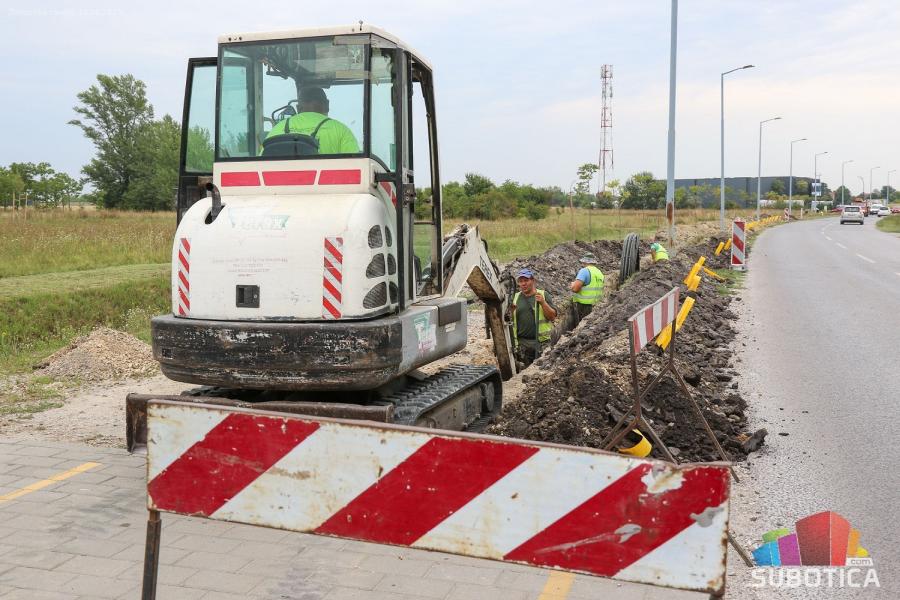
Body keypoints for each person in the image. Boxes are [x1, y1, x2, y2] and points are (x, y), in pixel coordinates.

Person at [266, 86, 360, 154]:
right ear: (327, 105)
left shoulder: (277, 130)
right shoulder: (341, 130)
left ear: (298, 108)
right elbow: (355, 164)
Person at [511, 268, 557, 368]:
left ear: (533, 281)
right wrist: (511, 311)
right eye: (521, 281)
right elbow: (508, 321)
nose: (523, 284)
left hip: (541, 343)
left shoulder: (543, 295)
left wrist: (543, 303)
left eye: (526, 280)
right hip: (523, 344)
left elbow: (552, 317)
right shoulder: (515, 298)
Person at [569, 253, 605, 323]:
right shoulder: (599, 272)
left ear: (584, 261)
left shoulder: (584, 271)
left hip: (584, 306)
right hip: (596, 305)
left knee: (581, 327)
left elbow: (575, 289)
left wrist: (573, 285)